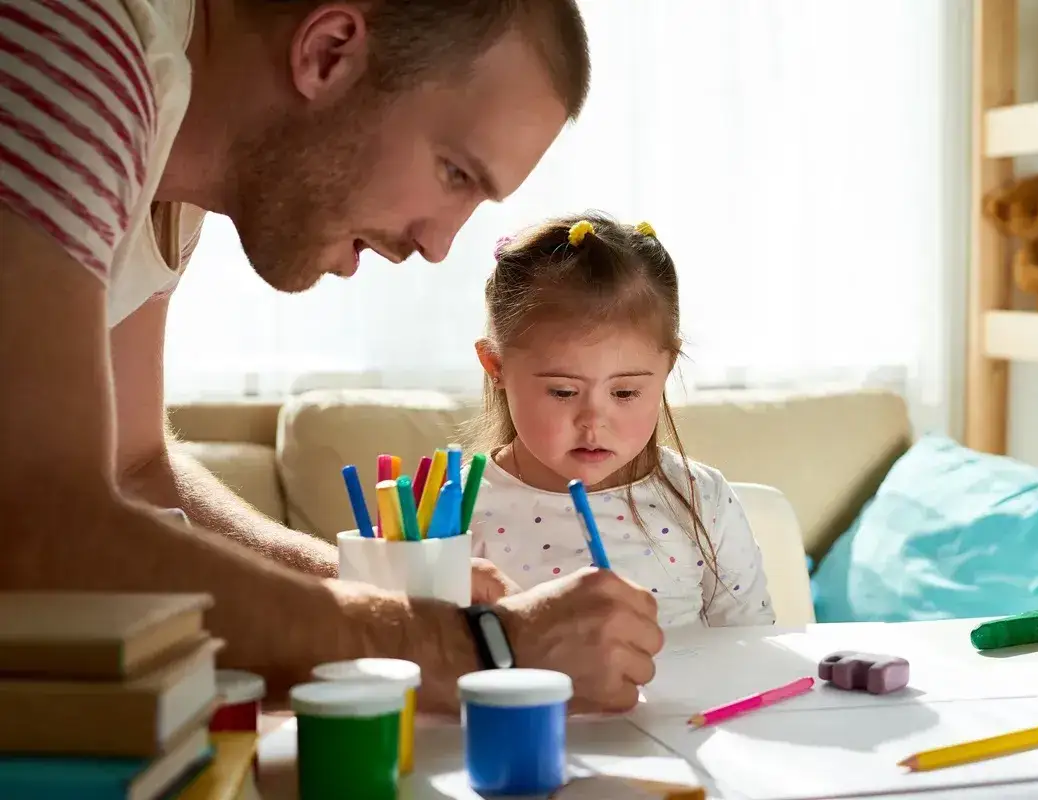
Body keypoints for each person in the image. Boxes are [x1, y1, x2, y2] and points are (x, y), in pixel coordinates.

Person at [0, 0, 663, 714]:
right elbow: (37, 528)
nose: (439, 245)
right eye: (454, 173)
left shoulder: (165, 176)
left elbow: (133, 470)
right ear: (328, 53)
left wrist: (377, 596)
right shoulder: (76, 53)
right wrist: (473, 645)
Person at [463, 214, 776, 628]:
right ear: (496, 365)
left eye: (625, 393)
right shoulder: (457, 509)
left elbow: (753, 649)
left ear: (667, 365)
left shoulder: (703, 499)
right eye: (562, 392)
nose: (593, 422)